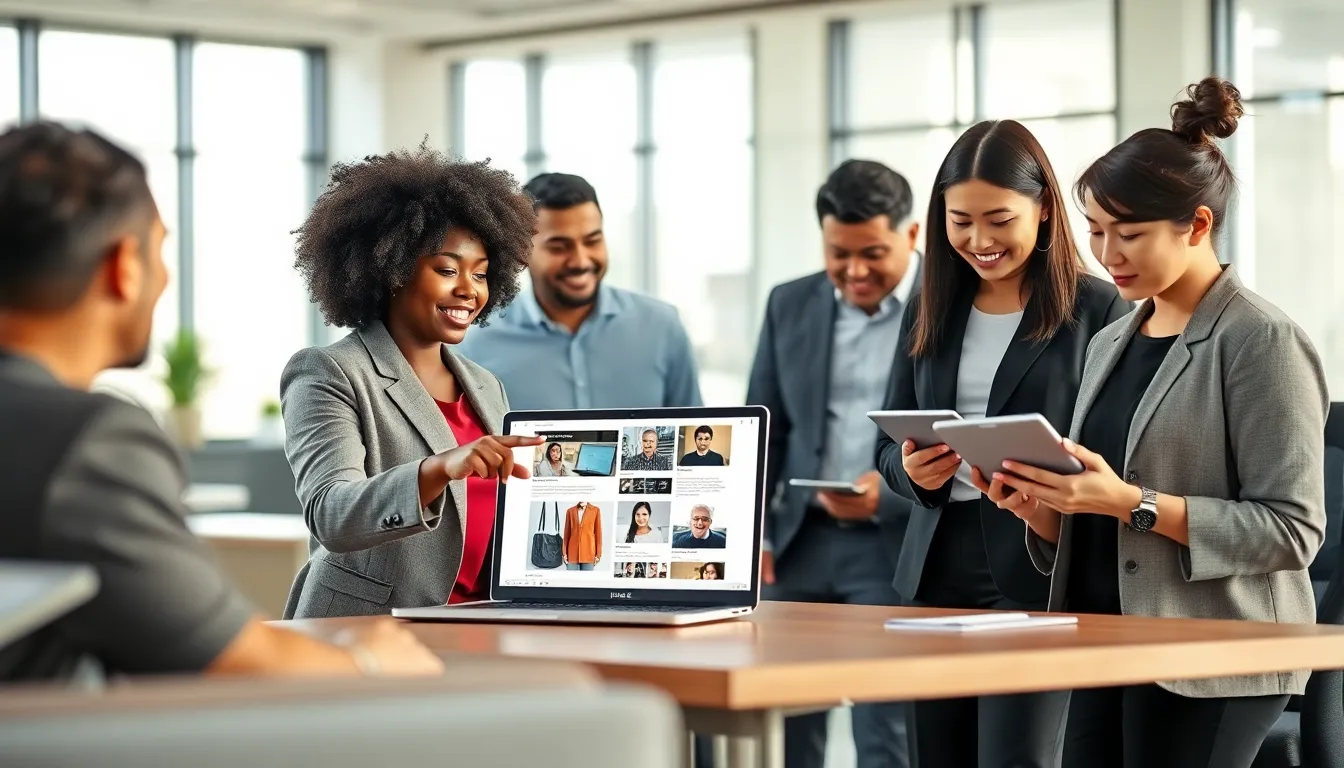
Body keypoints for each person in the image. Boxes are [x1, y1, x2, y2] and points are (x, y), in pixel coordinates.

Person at [0, 122, 443, 681]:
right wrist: (371, 659)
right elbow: (230, 656)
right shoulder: (89, 444)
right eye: (161, 249)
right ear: (124, 266)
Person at [980, 78, 1326, 768]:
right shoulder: (1112, 339)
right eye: (1095, 232)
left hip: (1214, 655)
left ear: (1197, 225)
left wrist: (1130, 503)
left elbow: (1292, 530)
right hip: (1107, 643)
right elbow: (1106, 509)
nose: (1108, 255)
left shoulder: (1260, 340)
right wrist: (1046, 510)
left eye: (1130, 234)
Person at [873, 121, 1131, 768]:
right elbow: (884, 447)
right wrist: (910, 471)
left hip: (1035, 563)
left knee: (1015, 757)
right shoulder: (930, 304)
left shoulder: (1099, 310)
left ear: (1043, 210)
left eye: (999, 220)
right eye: (960, 221)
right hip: (935, 568)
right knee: (936, 756)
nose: (979, 241)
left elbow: (1121, 455)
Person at [282, 143, 545, 619]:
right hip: (365, 629)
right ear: (394, 268)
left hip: (481, 625)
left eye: (481, 275)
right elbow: (331, 514)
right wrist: (438, 469)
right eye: (447, 270)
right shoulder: (329, 372)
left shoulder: (486, 386)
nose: (468, 290)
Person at [747, 159, 920, 768]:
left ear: (912, 235)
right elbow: (765, 423)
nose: (854, 271)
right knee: (786, 727)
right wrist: (754, 536)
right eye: (838, 254)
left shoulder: (948, 305)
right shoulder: (789, 302)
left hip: (894, 545)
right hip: (798, 543)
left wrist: (891, 491)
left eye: (873, 253)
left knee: (886, 729)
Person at [456, 172, 702, 410]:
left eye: (592, 241)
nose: (581, 261)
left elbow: (693, 428)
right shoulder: (476, 344)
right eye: (559, 247)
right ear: (522, 252)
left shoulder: (663, 327)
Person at [563, 501, 603, 571]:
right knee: (571, 577)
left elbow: (598, 533)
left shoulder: (595, 510)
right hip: (572, 553)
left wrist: (598, 553)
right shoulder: (570, 511)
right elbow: (567, 533)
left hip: (589, 552)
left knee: (586, 577)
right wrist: (564, 552)